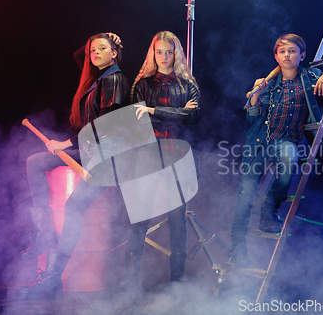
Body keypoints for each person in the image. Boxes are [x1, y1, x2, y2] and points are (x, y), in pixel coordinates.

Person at [17, 32, 130, 299]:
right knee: (35, 162)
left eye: (103, 49)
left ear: (115, 53)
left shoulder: (115, 79)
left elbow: (104, 127)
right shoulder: (96, 80)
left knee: (74, 206)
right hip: (89, 151)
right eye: (93, 50)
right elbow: (79, 56)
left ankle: (53, 279)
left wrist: (65, 142)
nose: (94, 53)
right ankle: (45, 230)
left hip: (107, 157)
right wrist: (99, 38)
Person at [230, 33, 323, 268]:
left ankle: (268, 212)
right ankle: (237, 251)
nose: (287, 55)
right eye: (282, 51)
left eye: (292, 51)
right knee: (245, 198)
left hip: (286, 141)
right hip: (259, 143)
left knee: (289, 158)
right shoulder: (267, 83)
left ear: (301, 55)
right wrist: (255, 94)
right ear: (276, 56)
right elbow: (250, 116)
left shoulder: (311, 77)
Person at [127, 31, 200, 286]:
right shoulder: (142, 84)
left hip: (178, 154)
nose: (164, 57)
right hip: (148, 152)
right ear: (153, 52)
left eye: (169, 52)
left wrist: (153, 110)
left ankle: (176, 285)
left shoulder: (187, 84)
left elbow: (193, 118)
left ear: (176, 53)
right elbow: (137, 121)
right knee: (140, 217)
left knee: (177, 219)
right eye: (159, 51)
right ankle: (128, 283)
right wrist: (177, 112)